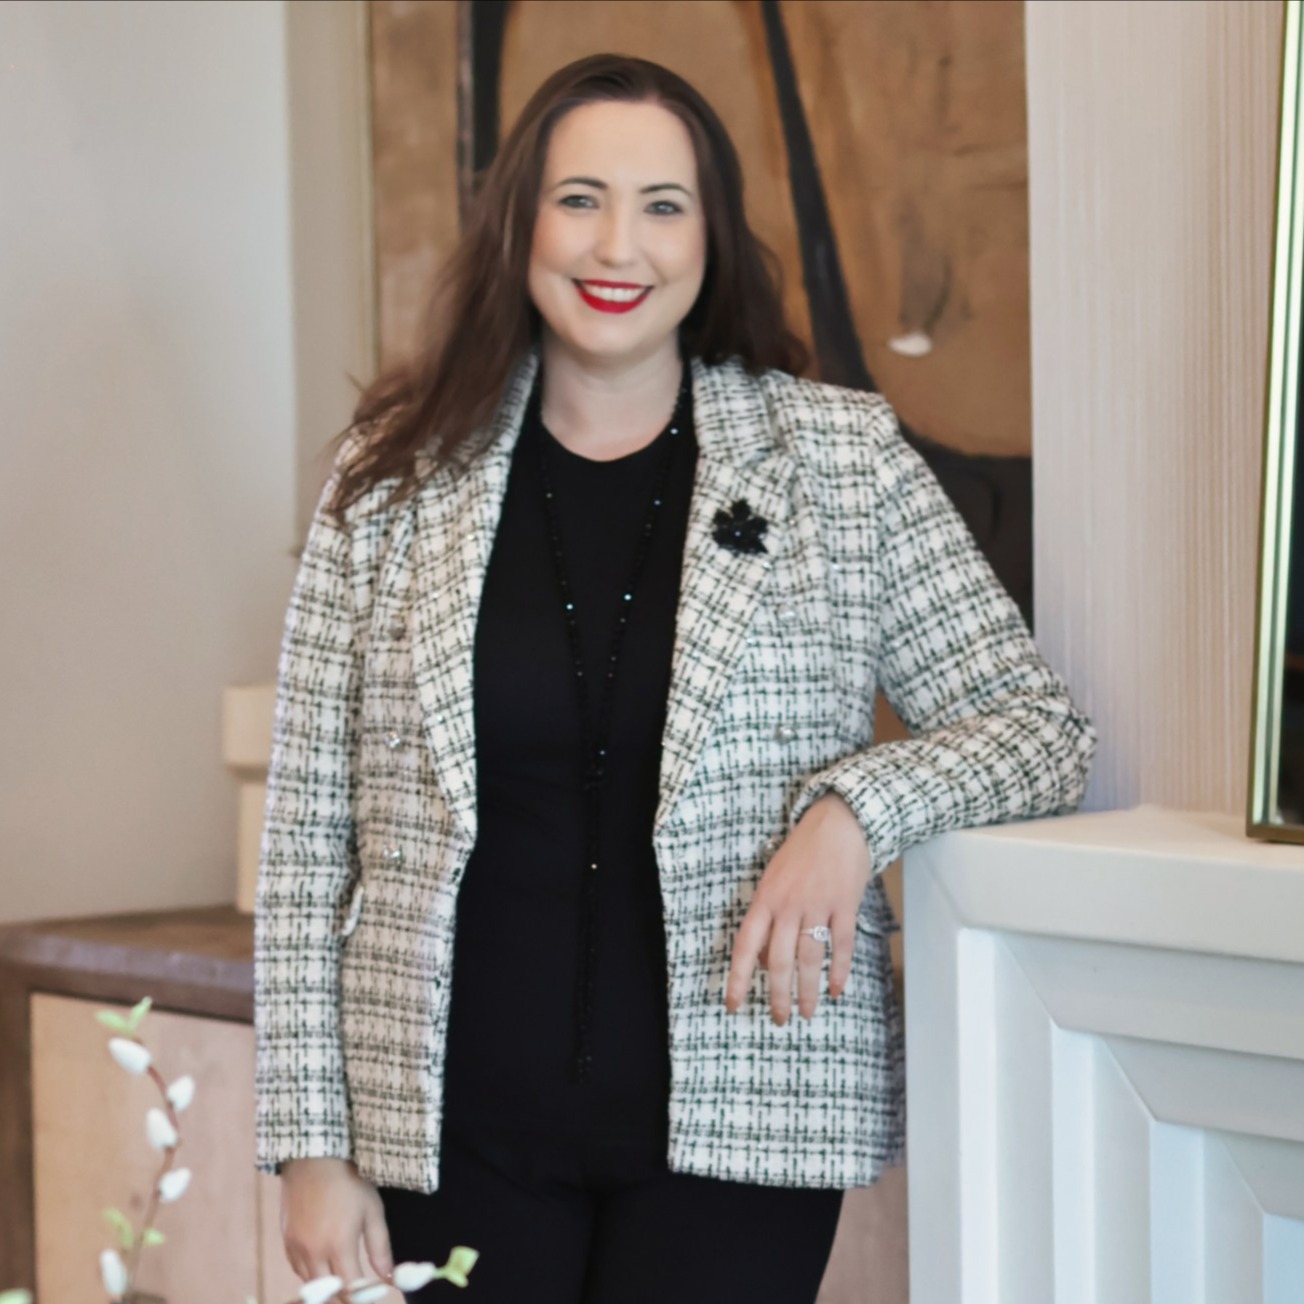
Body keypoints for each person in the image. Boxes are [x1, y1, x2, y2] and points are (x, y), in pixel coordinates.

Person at [253, 52, 1096, 1304]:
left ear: (710, 238)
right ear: (518, 225)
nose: (618, 244)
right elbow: (306, 840)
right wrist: (311, 1148)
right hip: (445, 1132)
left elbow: (1037, 728)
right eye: (579, 197)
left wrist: (850, 813)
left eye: (662, 204)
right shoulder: (391, 481)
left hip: (737, 1137)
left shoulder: (837, 461)